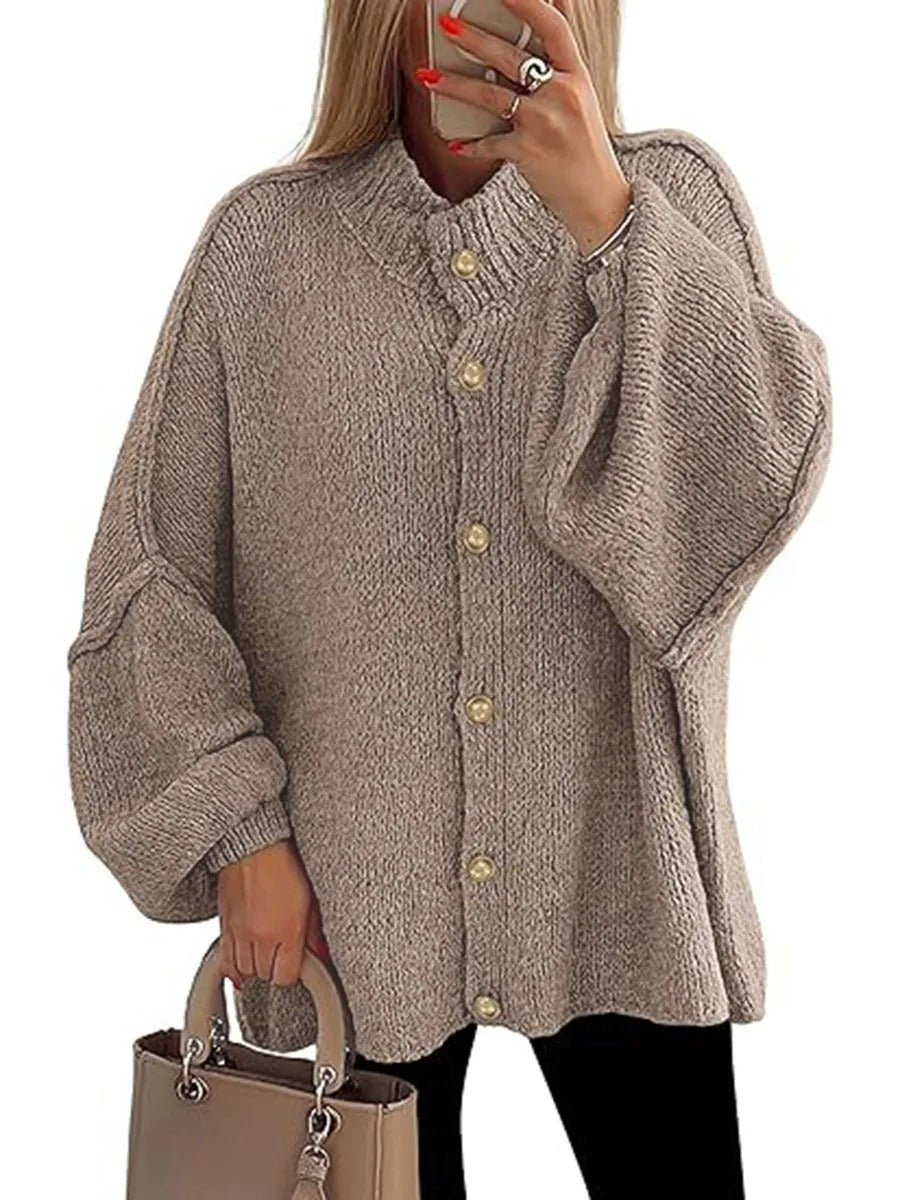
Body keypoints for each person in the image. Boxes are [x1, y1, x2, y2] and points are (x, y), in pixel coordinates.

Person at [66, 2, 831, 1196]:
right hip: (355, 903)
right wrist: (241, 832)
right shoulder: (264, 251)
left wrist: (609, 223)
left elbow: (738, 506)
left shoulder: (668, 205)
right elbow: (146, 575)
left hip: (619, 874)